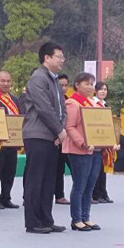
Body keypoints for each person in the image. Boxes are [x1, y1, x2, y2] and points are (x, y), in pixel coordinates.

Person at [23, 42, 68, 234]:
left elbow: (62, 109)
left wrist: (61, 129)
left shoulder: (55, 80)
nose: (62, 60)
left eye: (63, 57)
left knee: (49, 180)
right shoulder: (38, 78)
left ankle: (46, 219)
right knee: (36, 179)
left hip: (52, 135)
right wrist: (59, 130)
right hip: (37, 134)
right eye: (59, 56)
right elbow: (44, 108)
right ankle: (33, 222)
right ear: (46, 58)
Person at [63, 73, 101, 232]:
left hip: (95, 149)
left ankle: (86, 217)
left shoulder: (92, 103)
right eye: (86, 83)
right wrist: (82, 142)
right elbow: (69, 126)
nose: (90, 87)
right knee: (80, 185)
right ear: (77, 85)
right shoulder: (72, 103)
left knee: (90, 185)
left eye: (91, 84)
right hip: (79, 150)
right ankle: (76, 219)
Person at [0, 71, 21, 209]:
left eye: (8, 81)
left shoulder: (14, 99)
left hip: (13, 141)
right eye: (3, 81)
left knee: (10, 171)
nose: (6, 84)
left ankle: (6, 197)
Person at [91, 81, 117, 204]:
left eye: (105, 89)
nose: (103, 91)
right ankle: (96, 194)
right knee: (96, 169)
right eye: (101, 89)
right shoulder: (92, 103)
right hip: (96, 138)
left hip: (104, 139)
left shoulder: (105, 105)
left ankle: (103, 192)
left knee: (103, 168)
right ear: (95, 91)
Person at [54, 73, 72, 205]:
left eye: (66, 85)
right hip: (55, 139)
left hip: (68, 140)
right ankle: (59, 195)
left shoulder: (69, 100)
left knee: (70, 167)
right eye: (61, 85)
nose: (64, 88)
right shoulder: (53, 100)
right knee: (57, 168)